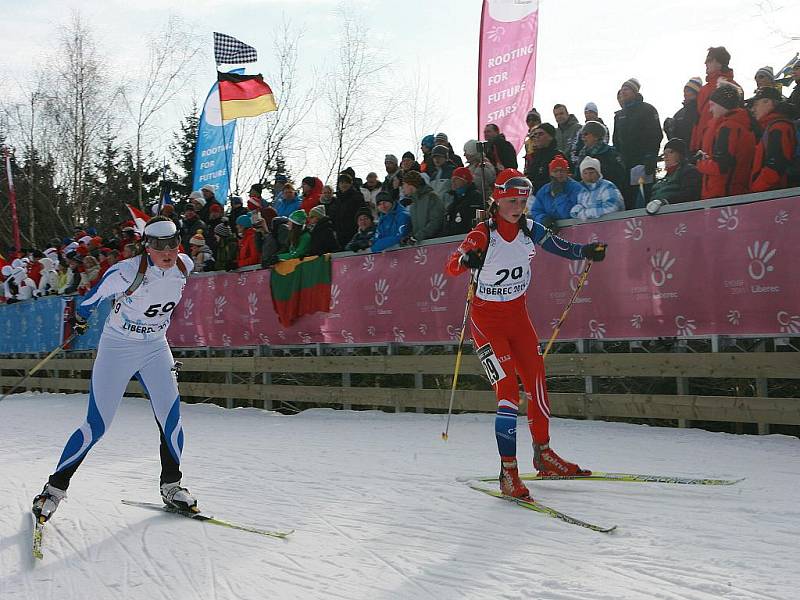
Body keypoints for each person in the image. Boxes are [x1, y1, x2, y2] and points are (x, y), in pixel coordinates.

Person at [444, 169, 607, 499]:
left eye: (522, 201)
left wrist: (585, 252)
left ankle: (544, 454)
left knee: (536, 380)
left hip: (518, 316)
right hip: (486, 323)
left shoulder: (529, 229)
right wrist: (466, 259)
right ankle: (508, 472)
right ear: (498, 200)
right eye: (511, 201)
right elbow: (451, 265)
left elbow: (559, 246)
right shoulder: (482, 234)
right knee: (507, 393)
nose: (518, 207)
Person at [32, 217, 197, 524]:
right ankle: (52, 491)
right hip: (118, 348)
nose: (167, 251)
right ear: (146, 246)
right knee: (97, 425)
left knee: (171, 419)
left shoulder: (185, 265)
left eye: (172, 243)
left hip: (155, 347)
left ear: (179, 244)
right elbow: (88, 301)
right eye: (159, 245)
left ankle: (172, 487)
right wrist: (81, 320)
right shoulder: (125, 272)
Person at [696, 84, 756, 200]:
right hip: (737, 191)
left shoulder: (728, 127)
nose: (710, 109)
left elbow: (721, 166)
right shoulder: (745, 125)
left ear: (722, 105)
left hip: (722, 195)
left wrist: (699, 163)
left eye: (712, 105)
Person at [613, 78, 663, 209]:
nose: (623, 92)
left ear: (635, 92)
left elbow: (656, 134)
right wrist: (619, 159)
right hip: (626, 166)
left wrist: (651, 156)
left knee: (643, 198)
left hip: (643, 164)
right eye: (621, 90)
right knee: (628, 200)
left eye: (626, 89)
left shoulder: (648, 109)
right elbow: (616, 140)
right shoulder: (619, 115)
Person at [749, 86, 798, 192]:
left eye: (756, 104)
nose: (753, 109)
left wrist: (755, 191)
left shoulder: (779, 127)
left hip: (775, 196)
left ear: (768, 102)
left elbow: (775, 167)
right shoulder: (773, 126)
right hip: (775, 194)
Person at [691, 46, 739, 153]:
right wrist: (694, 146)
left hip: (720, 147)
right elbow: (698, 120)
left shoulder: (732, 88)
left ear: (720, 62)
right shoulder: (704, 89)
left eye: (709, 60)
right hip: (701, 147)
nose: (705, 63)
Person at [528, 156, 582, 230]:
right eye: (555, 171)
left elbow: (568, 214)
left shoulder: (576, 188)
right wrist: (543, 219)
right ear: (550, 173)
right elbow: (536, 210)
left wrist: (559, 195)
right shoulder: (544, 190)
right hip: (550, 230)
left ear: (567, 172)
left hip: (573, 229)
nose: (559, 174)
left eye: (562, 171)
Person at [573, 121, 627, 193]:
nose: (583, 138)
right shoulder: (582, 154)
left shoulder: (610, 153)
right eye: (581, 135)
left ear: (596, 136)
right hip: (586, 193)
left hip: (607, 192)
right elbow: (578, 176)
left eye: (585, 134)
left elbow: (619, 176)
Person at [649, 138, 702, 205]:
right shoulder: (663, 179)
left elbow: (689, 194)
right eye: (664, 153)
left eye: (671, 152)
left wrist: (666, 201)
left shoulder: (689, 171)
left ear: (680, 154)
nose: (666, 156)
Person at [523, 122, 567, 192]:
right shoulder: (533, 157)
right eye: (534, 135)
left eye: (540, 134)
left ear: (550, 137)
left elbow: (559, 180)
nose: (537, 137)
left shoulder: (557, 156)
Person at [403, 170, 445, 243]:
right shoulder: (413, 203)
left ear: (410, 185)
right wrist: (409, 237)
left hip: (435, 244)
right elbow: (416, 227)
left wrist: (418, 236)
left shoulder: (432, 197)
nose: (403, 188)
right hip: (421, 245)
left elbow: (436, 222)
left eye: (404, 184)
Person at [443, 167, 484, 237]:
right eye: (452, 179)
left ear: (465, 181)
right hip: (453, 240)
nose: (453, 182)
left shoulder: (475, 197)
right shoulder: (453, 199)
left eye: (456, 179)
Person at [664, 77, 703, 145]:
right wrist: (669, 129)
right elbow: (674, 139)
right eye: (684, 91)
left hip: (696, 149)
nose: (685, 94)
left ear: (696, 92)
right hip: (683, 151)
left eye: (688, 91)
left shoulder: (701, 111)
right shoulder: (679, 114)